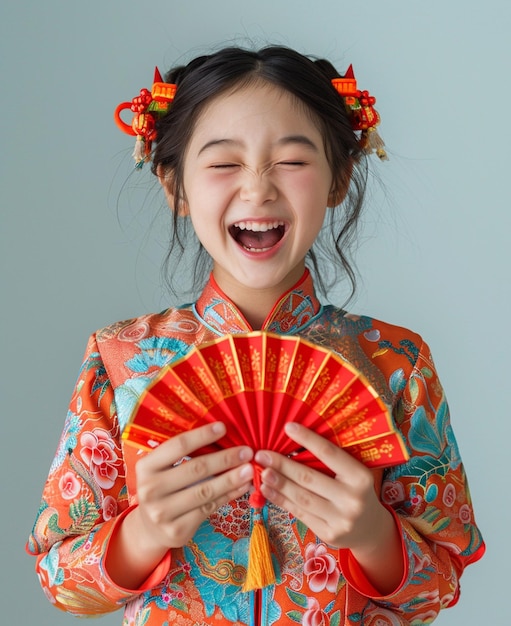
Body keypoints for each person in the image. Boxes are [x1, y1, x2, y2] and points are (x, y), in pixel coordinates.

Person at [26, 45, 484, 626]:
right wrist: (141, 535)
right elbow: (59, 578)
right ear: (176, 186)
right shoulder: (120, 359)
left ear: (340, 177)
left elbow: (441, 582)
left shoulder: (395, 362)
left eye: (292, 161)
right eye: (223, 163)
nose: (258, 189)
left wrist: (372, 535)